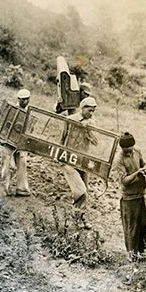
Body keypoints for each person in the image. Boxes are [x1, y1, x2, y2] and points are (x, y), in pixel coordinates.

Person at [61, 96, 99, 228]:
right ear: (82, 108)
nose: (91, 113)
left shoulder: (93, 123)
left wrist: (88, 130)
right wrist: (60, 156)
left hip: (83, 161)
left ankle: (81, 218)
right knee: (80, 190)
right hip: (69, 159)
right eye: (89, 110)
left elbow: (96, 142)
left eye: (93, 111)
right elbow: (63, 137)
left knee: (85, 191)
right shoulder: (70, 120)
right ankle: (76, 216)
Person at [114, 132, 146, 261]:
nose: (129, 153)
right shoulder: (119, 159)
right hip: (128, 198)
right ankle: (132, 254)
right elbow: (124, 181)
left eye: (130, 150)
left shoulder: (137, 151)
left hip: (140, 195)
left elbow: (144, 164)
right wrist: (137, 173)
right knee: (131, 228)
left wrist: (145, 169)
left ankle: (143, 252)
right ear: (122, 149)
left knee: (143, 225)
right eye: (126, 151)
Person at [0, 88, 32, 196]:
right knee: (7, 164)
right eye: (22, 99)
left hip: (21, 143)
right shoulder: (12, 110)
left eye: (27, 99)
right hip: (8, 141)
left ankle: (22, 189)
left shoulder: (29, 112)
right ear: (18, 99)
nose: (25, 101)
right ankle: (6, 187)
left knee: (22, 164)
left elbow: (30, 128)